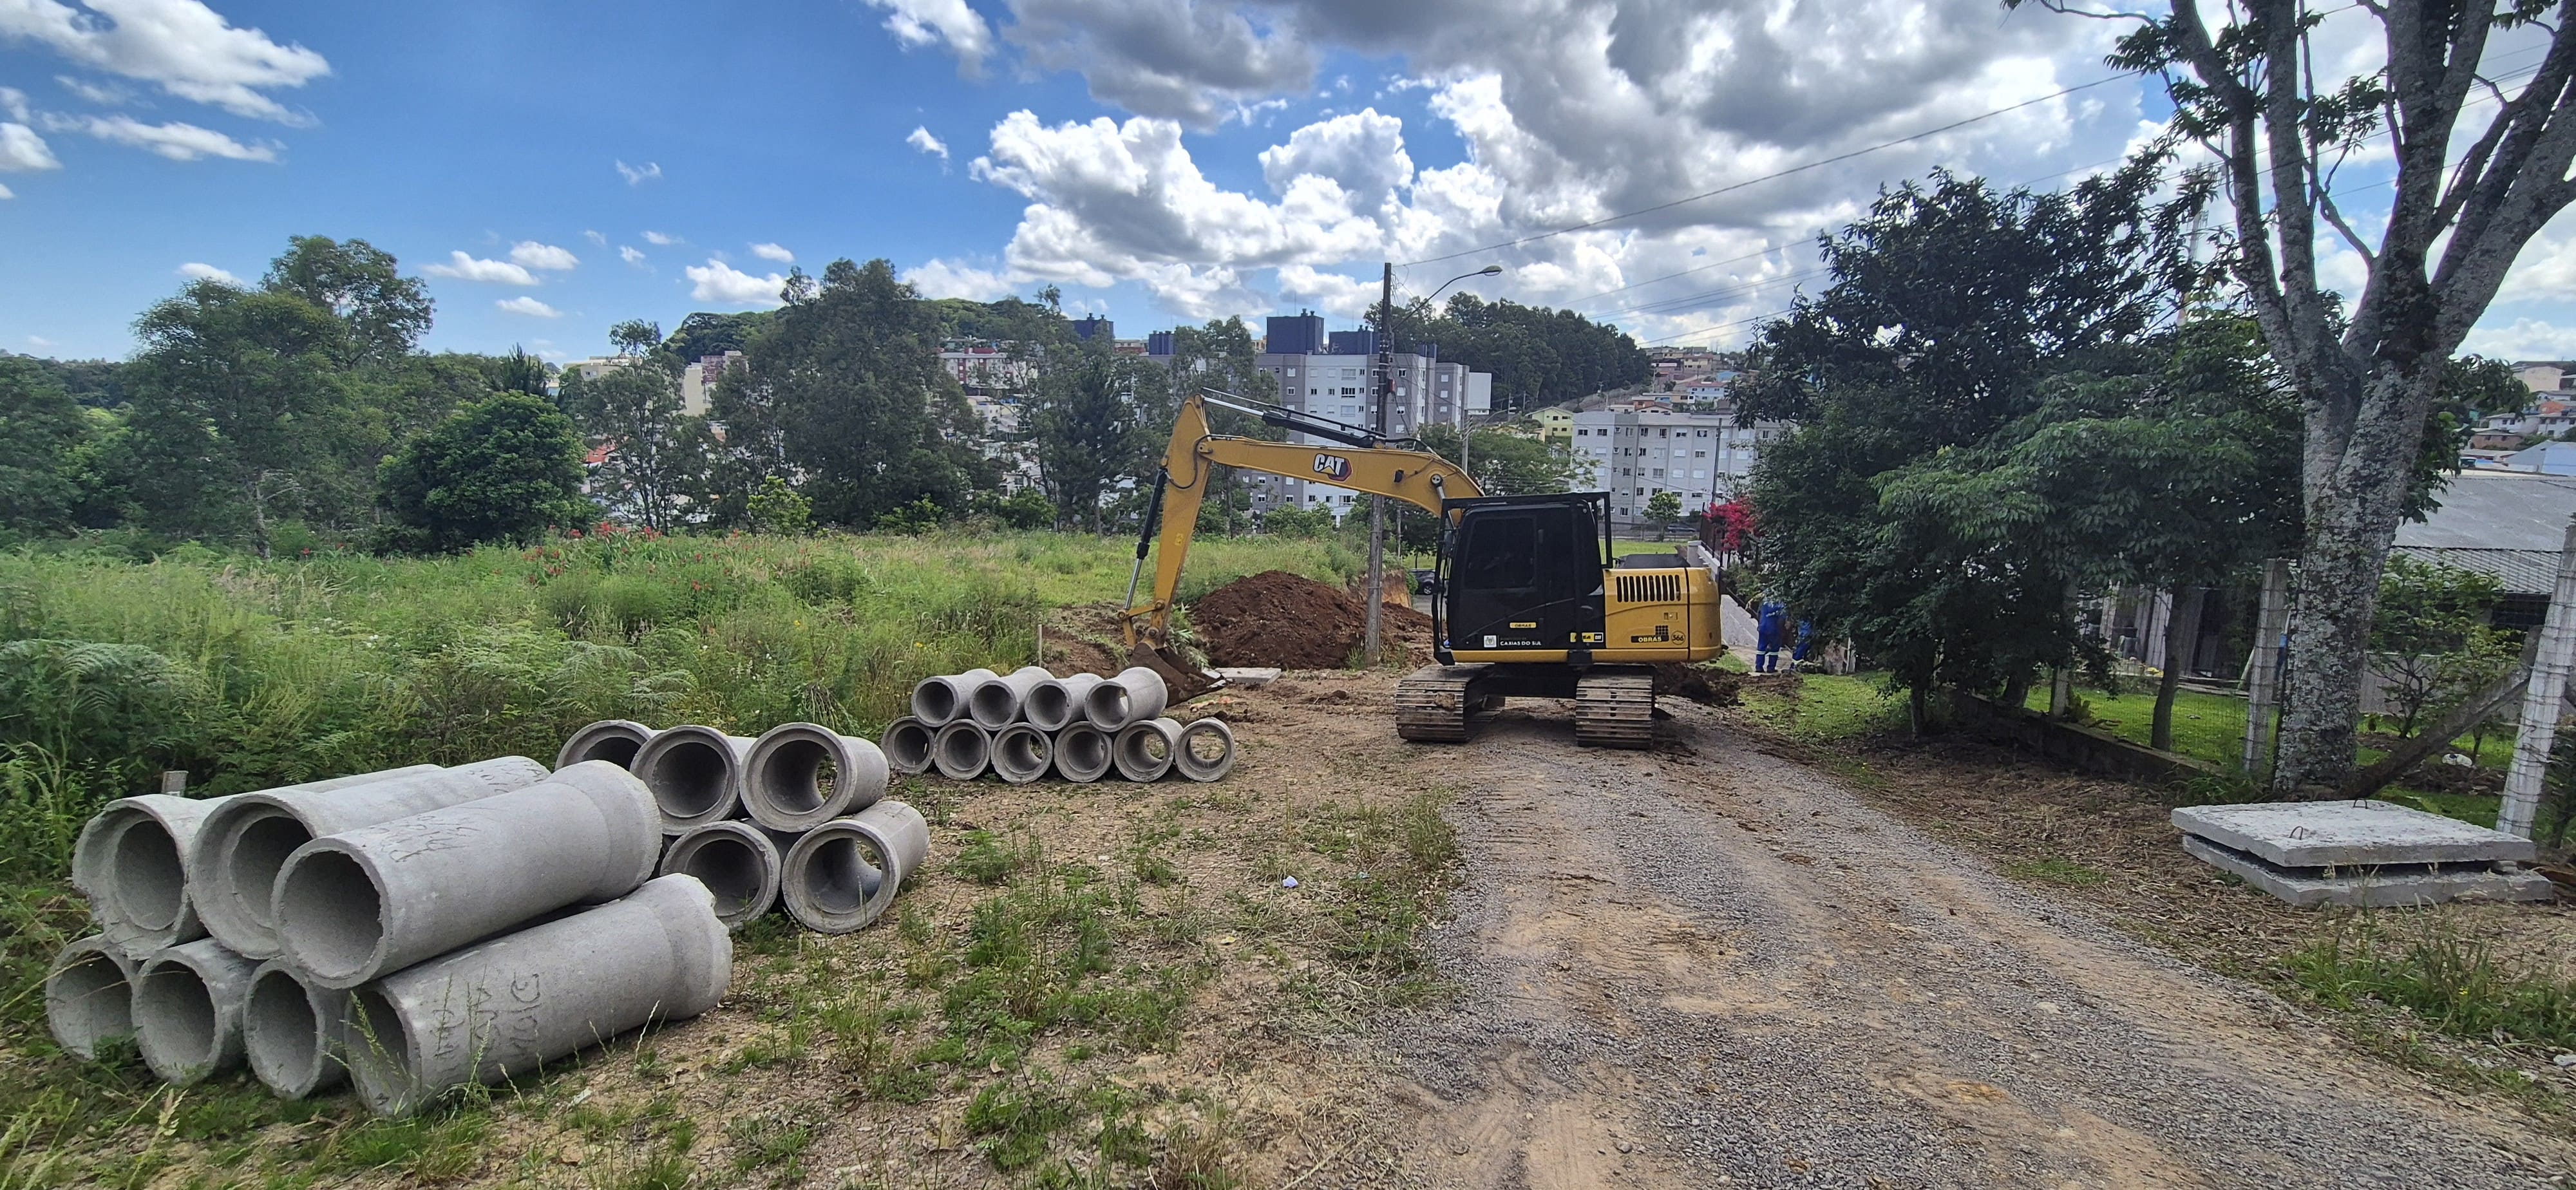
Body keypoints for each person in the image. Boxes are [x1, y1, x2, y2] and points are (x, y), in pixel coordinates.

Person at [1756, 599, 1786, 673]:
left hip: (1763, 627)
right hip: (1774, 629)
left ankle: (1759, 667)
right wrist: (1782, 630)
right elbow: (1782, 618)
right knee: (1774, 649)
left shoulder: (1764, 601)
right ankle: (1771, 668)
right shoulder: (1781, 603)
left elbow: (1759, 614)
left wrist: (1760, 624)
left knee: (1761, 648)